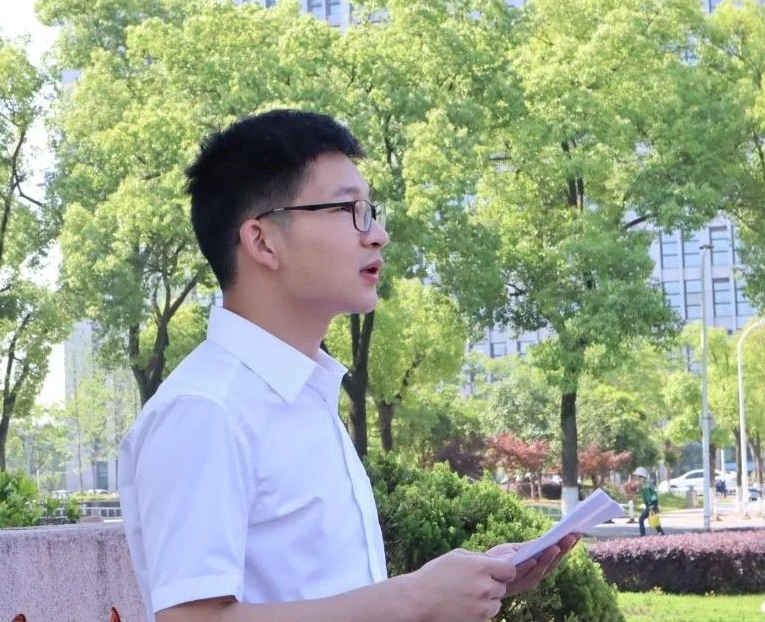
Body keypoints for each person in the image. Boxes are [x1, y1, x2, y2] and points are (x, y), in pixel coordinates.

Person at [118, 110, 579, 622]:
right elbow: (192, 619)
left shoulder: (303, 394)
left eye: (370, 210)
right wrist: (413, 598)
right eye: (349, 209)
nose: (377, 234)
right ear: (262, 242)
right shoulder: (206, 410)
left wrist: (453, 590)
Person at [633, 467, 664, 536]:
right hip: (651, 505)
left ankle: (642, 535)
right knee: (655, 520)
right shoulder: (644, 484)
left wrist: (652, 505)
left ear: (641, 476)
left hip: (651, 505)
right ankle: (662, 534)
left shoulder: (647, 484)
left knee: (641, 519)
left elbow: (653, 495)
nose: (636, 478)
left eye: (637, 477)